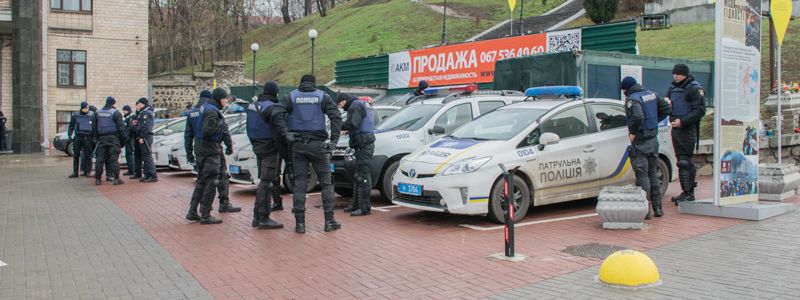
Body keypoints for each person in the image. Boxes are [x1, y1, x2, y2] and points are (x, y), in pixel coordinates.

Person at [272, 75, 342, 233]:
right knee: (326, 183)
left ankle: (300, 224)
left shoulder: (291, 96)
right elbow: (336, 117)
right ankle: (329, 221)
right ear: (314, 84)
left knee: (300, 183)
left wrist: (286, 133)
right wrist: (334, 141)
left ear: (301, 83)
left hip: (297, 146)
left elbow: (276, 113)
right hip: (318, 146)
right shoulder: (322, 96)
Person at [622, 77, 671, 218]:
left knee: (642, 176)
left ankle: (645, 211)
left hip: (641, 141)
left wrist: (633, 132)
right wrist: (654, 122)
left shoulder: (632, 99)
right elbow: (666, 109)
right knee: (652, 174)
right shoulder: (651, 94)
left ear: (626, 89)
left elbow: (637, 116)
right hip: (653, 141)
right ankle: (658, 208)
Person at [186, 88, 229, 224]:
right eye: (225, 98)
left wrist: (189, 153)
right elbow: (208, 130)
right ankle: (205, 214)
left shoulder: (199, 110)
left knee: (201, 181)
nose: (226, 101)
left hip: (200, 149)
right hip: (210, 151)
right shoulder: (211, 111)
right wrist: (220, 123)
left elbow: (188, 135)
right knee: (212, 182)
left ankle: (193, 211)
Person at [666, 64, 706, 205]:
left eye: (678, 74)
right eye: (674, 73)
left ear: (685, 74)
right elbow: (667, 105)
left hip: (687, 129)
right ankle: (686, 191)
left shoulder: (695, 88)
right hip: (676, 128)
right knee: (681, 160)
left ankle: (689, 193)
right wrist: (666, 106)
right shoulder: (672, 88)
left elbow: (700, 111)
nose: (675, 76)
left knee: (685, 161)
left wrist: (682, 122)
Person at [246, 81, 284, 229]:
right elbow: (278, 130)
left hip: (257, 145)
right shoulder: (271, 107)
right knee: (267, 182)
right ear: (275, 92)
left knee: (263, 180)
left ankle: (257, 216)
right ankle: (263, 217)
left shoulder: (251, 106)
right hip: (269, 147)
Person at [336, 93, 376, 216]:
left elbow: (353, 123)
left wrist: (338, 124)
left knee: (363, 176)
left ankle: (364, 208)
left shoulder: (355, 106)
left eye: (340, 104)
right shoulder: (359, 104)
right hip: (362, 143)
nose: (341, 107)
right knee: (358, 176)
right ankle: (356, 205)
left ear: (344, 100)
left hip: (364, 144)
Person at [92, 97, 126, 186]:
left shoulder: (98, 112)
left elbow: (94, 127)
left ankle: (98, 179)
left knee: (100, 159)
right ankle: (116, 178)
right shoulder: (115, 113)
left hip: (101, 138)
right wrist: (122, 142)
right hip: (113, 138)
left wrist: (95, 138)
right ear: (113, 104)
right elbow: (121, 128)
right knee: (114, 159)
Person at [216, 111, 241, 213]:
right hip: (215, 148)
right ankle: (224, 203)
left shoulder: (196, 112)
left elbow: (188, 134)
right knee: (223, 175)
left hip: (200, 149)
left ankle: (196, 210)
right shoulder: (215, 112)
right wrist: (229, 146)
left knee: (203, 180)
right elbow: (224, 131)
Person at [135, 98, 158, 182]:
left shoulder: (146, 113)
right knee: (145, 156)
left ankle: (153, 175)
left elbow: (145, 126)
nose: (138, 105)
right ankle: (147, 174)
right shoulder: (145, 112)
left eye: (139, 103)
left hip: (146, 136)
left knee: (147, 156)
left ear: (142, 104)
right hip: (145, 136)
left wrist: (141, 137)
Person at [67, 102, 93, 177]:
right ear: (82, 108)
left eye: (87, 108)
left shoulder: (91, 115)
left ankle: (87, 171)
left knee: (88, 155)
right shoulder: (75, 115)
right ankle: (75, 172)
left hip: (87, 137)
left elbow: (94, 126)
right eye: (85, 108)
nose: (87, 109)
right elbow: (71, 125)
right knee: (76, 155)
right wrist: (70, 134)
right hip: (78, 137)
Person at [121, 105, 136, 176]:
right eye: (123, 110)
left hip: (130, 139)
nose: (124, 112)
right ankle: (130, 169)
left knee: (129, 155)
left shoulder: (130, 118)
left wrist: (126, 136)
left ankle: (132, 170)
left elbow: (130, 129)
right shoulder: (126, 118)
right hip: (127, 139)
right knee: (128, 155)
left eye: (125, 110)